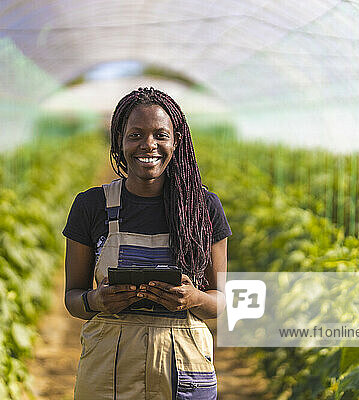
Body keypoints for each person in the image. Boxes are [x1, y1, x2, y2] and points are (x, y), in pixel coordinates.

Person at [63, 87, 231, 399]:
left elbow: (221, 301)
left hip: (183, 365)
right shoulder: (91, 206)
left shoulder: (203, 208)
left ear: (175, 142)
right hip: (108, 369)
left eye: (160, 135)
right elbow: (72, 297)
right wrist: (96, 301)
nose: (148, 145)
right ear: (119, 141)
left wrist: (192, 298)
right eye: (136, 135)